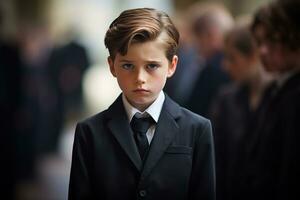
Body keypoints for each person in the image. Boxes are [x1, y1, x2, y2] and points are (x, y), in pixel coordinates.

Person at [68, 8, 215, 200]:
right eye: (128, 65)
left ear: (172, 66)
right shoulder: (89, 132)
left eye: (152, 66)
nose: (140, 78)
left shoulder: (197, 129)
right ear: (112, 66)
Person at [240, 0, 300, 199]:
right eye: (259, 42)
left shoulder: (293, 96)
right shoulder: (275, 89)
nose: (263, 51)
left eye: (272, 40)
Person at [209, 23, 272, 200]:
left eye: (232, 58)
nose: (225, 66)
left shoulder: (280, 99)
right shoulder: (226, 99)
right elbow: (216, 159)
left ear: (254, 54)